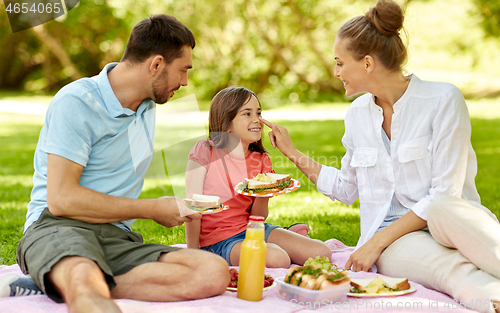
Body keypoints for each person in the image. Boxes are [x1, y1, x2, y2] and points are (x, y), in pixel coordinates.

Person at [260, 0, 500, 312]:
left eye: (340, 63)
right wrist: (292, 153)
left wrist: (374, 242)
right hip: (395, 242)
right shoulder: (357, 114)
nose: (336, 72)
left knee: (443, 208)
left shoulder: (443, 99)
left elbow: (445, 195)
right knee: (450, 271)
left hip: (449, 218)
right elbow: (347, 189)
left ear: (368, 64)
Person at [3, 14, 230, 313]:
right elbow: (61, 200)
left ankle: (54, 281)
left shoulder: (147, 105)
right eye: (183, 70)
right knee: (87, 286)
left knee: (213, 272)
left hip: (115, 236)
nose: (185, 82)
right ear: (156, 64)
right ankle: (72, 279)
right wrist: (153, 209)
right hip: (59, 226)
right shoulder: (77, 102)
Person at [184, 87, 332, 267]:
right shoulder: (205, 151)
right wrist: (192, 254)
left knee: (321, 253)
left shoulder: (261, 159)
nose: (257, 120)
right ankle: (281, 243)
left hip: (251, 229)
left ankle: (284, 238)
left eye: (259, 112)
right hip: (217, 241)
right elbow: (192, 208)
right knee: (278, 258)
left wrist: (264, 193)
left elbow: (258, 217)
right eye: (247, 113)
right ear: (227, 122)